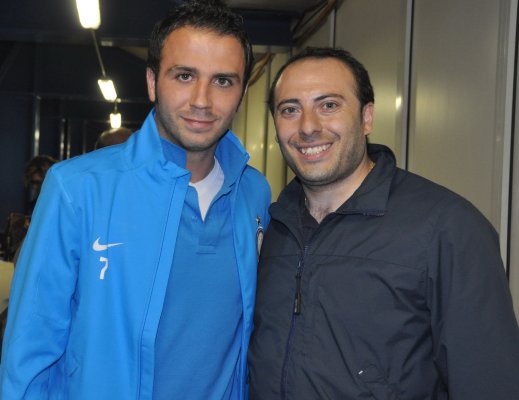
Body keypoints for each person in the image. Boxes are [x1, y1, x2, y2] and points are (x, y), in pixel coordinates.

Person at [0, 1, 270, 398]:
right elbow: (29, 351)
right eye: (184, 75)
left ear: (243, 92)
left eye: (223, 81)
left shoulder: (254, 192)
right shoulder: (78, 189)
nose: (202, 99)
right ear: (152, 82)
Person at [247, 47, 519, 399]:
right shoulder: (275, 227)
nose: (308, 126)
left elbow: (491, 382)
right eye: (290, 110)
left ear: (367, 117)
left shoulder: (448, 228)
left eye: (328, 105)